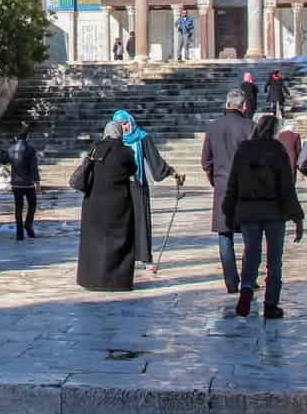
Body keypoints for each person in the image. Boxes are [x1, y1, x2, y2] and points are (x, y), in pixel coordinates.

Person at [224, 115, 305, 319]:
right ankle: (271, 303)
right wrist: (297, 216)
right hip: (274, 211)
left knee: (251, 253)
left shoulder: (244, 149)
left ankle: (247, 289)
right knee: (274, 259)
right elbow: (286, 186)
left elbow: (233, 181)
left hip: (249, 210)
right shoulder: (277, 150)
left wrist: (228, 208)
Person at [110, 110, 183, 269]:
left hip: (137, 184)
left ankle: (144, 257)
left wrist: (170, 172)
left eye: (126, 123)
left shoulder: (142, 138)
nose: (125, 128)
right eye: (120, 125)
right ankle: (121, 257)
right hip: (119, 187)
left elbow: (155, 161)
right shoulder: (114, 141)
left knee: (141, 220)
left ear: (131, 121)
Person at [76, 122, 141, 291]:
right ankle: (117, 281)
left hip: (94, 205)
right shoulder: (126, 153)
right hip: (118, 205)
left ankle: (91, 279)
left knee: (94, 243)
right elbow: (133, 170)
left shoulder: (95, 150)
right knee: (119, 243)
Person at [201, 89, 253, 294]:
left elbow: (206, 160)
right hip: (247, 188)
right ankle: (248, 279)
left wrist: (215, 179)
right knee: (251, 235)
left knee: (225, 235)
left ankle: (231, 281)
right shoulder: (249, 127)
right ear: (244, 106)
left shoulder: (213, 127)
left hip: (223, 187)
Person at [1, 131, 42, 240]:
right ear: (27, 137)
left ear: (15, 137)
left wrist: (3, 150)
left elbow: (3, 161)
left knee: (18, 208)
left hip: (16, 184)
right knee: (32, 205)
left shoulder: (10, 149)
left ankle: (19, 233)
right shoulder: (30, 149)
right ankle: (28, 224)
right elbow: (34, 167)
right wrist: (37, 182)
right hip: (28, 184)